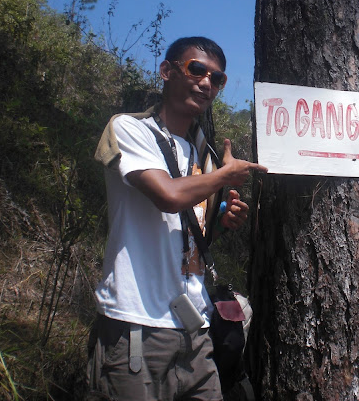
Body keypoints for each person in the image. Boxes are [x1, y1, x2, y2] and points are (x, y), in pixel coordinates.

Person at [87, 36, 268, 400]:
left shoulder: (205, 155)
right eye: (196, 69)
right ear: (167, 71)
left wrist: (220, 221)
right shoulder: (131, 130)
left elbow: (189, 237)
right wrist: (223, 176)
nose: (206, 83)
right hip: (135, 326)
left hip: (196, 332)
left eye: (217, 79)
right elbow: (168, 196)